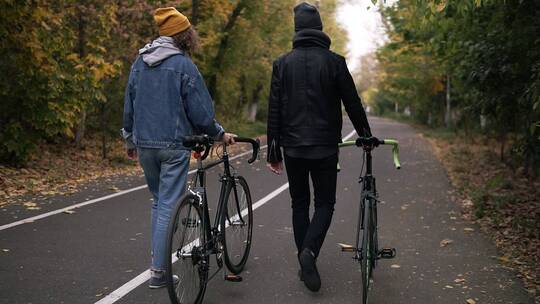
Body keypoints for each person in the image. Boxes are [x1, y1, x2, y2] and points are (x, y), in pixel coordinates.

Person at [121, 7, 235, 289]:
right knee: (167, 206)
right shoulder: (183, 65)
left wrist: (129, 138)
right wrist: (218, 134)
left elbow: (130, 102)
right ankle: (158, 273)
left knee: (160, 203)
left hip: (145, 143)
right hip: (174, 145)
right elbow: (201, 112)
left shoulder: (140, 61)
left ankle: (158, 267)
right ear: (182, 35)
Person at [266, 2, 373, 292]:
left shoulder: (282, 63)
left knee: (299, 203)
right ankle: (309, 253)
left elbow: (274, 108)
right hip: (325, 146)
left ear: (297, 29)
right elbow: (351, 101)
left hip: (293, 147)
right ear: (321, 29)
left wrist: (272, 150)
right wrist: (365, 135)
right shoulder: (334, 61)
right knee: (325, 203)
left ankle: (305, 259)